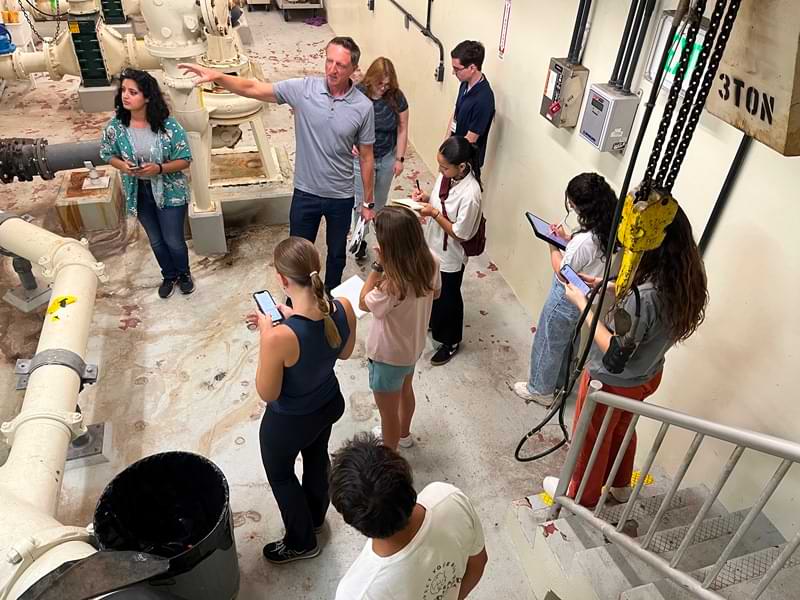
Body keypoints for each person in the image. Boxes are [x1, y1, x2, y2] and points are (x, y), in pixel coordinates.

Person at [179, 36, 376, 291]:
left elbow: (367, 156)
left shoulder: (363, 107)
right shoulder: (303, 90)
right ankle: (298, 300)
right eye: (329, 61)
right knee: (296, 254)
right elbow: (253, 88)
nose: (332, 69)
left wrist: (368, 202)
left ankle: (330, 300)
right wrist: (217, 76)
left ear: (353, 69)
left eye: (340, 64)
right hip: (306, 192)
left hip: (340, 195)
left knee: (336, 254)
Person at [543, 206, 708, 507]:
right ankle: (619, 484)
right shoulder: (687, 276)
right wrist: (607, 285)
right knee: (621, 430)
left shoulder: (642, 299)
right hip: (647, 375)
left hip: (612, 381)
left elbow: (617, 353)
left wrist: (583, 304)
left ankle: (580, 494)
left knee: (591, 439)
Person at [245, 237, 357, 564]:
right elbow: (345, 351)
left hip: (290, 420)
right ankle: (317, 518)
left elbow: (268, 393)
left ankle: (301, 541)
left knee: (281, 475)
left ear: (282, 280)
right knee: (316, 455)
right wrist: (288, 315)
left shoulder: (280, 336)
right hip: (327, 404)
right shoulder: (343, 307)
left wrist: (268, 335)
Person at [330, 433, 488, 600]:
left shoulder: (358, 592)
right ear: (406, 476)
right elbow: (478, 563)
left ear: (350, 518)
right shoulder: (449, 498)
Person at [514, 173, 617, 407]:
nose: (571, 209)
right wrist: (566, 238)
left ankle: (540, 389)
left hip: (566, 296)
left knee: (549, 341)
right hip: (587, 298)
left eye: (572, 205)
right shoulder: (611, 228)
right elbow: (588, 256)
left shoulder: (584, 242)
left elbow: (564, 272)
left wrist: (551, 244)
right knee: (567, 342)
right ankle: (560, 384)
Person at [99, 68, 194, 299]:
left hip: (169, 191)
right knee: (156, 240)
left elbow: (185, 160)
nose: (125, 96)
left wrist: (159, 168)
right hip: (138, 190)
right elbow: (106, 153)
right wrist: (122, 166)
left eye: (133, 92)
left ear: (148, 97)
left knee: (173, 240)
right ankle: (168, 275)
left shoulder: (169, 127)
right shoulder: (115, 128)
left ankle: (184, 274)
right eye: (123, 90)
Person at [358, 207, 441, 450]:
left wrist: (378, 266)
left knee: (387, 413)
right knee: (406, 390)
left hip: (387, 355)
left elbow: (363, 302)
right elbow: (436, 294)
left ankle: (389, 456)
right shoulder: (432, 261)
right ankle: (404, 434)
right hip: (412, 346)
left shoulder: (391, 283)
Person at [412, 136, 482, 367]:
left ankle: (450, 340)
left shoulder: (471, 194)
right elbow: (437, 200)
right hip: (431, 244)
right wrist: (423, 199)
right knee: (432, 290)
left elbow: (460, 233)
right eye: (439, 165)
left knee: (448, 298)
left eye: (444, 167)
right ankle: (434, 322)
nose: (440, 170)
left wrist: (433, 214)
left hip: (450, 254)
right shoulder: (447, 175)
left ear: (461, 166)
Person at [350, 57, 409, 260]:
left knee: (379, 203)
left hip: (386, 156)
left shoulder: (397, 98)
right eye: (380, 84)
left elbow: (402, 128)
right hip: (361, 157)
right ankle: (360, 238)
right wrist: (349, 143)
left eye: (387, 84)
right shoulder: (357, 93)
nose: (383, 88)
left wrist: (400, 158)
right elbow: (344, 122)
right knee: (362, 202)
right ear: (371, 79)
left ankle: (382, 240)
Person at [446, 41, 495, 179]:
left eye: (457, 69)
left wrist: (450, 161)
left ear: (472, 68)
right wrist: (445, 146)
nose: (453, 72)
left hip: (464, 162)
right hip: (452, 154)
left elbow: (471, 139)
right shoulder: (464, 85)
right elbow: (455, 114)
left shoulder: (484, 99)